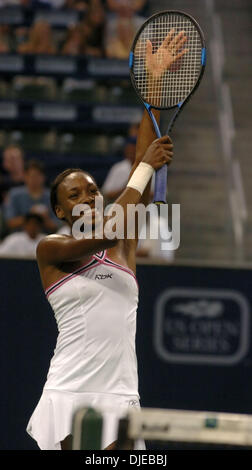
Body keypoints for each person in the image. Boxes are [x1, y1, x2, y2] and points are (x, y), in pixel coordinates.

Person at [26, 29, 186, 451]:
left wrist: (153, 85)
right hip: (69, 394)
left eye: (92, 190)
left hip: (121, 395)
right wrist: (145, 168)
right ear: (61, 211)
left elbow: (138, 165)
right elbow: (114, 218)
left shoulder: (123, 246)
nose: (87, 197)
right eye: (74, 195)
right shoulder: (52, 249)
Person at [3, 159, 60, 234]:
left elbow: (58, 226)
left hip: (45, 238)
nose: (34, 179)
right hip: (20, 237)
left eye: (37, 175)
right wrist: (30, 216)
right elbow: (9, 223)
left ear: (43, 177)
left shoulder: (52, 196)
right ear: (25, 176)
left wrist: (45, 219)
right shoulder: (14, 194)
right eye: (31, 176)